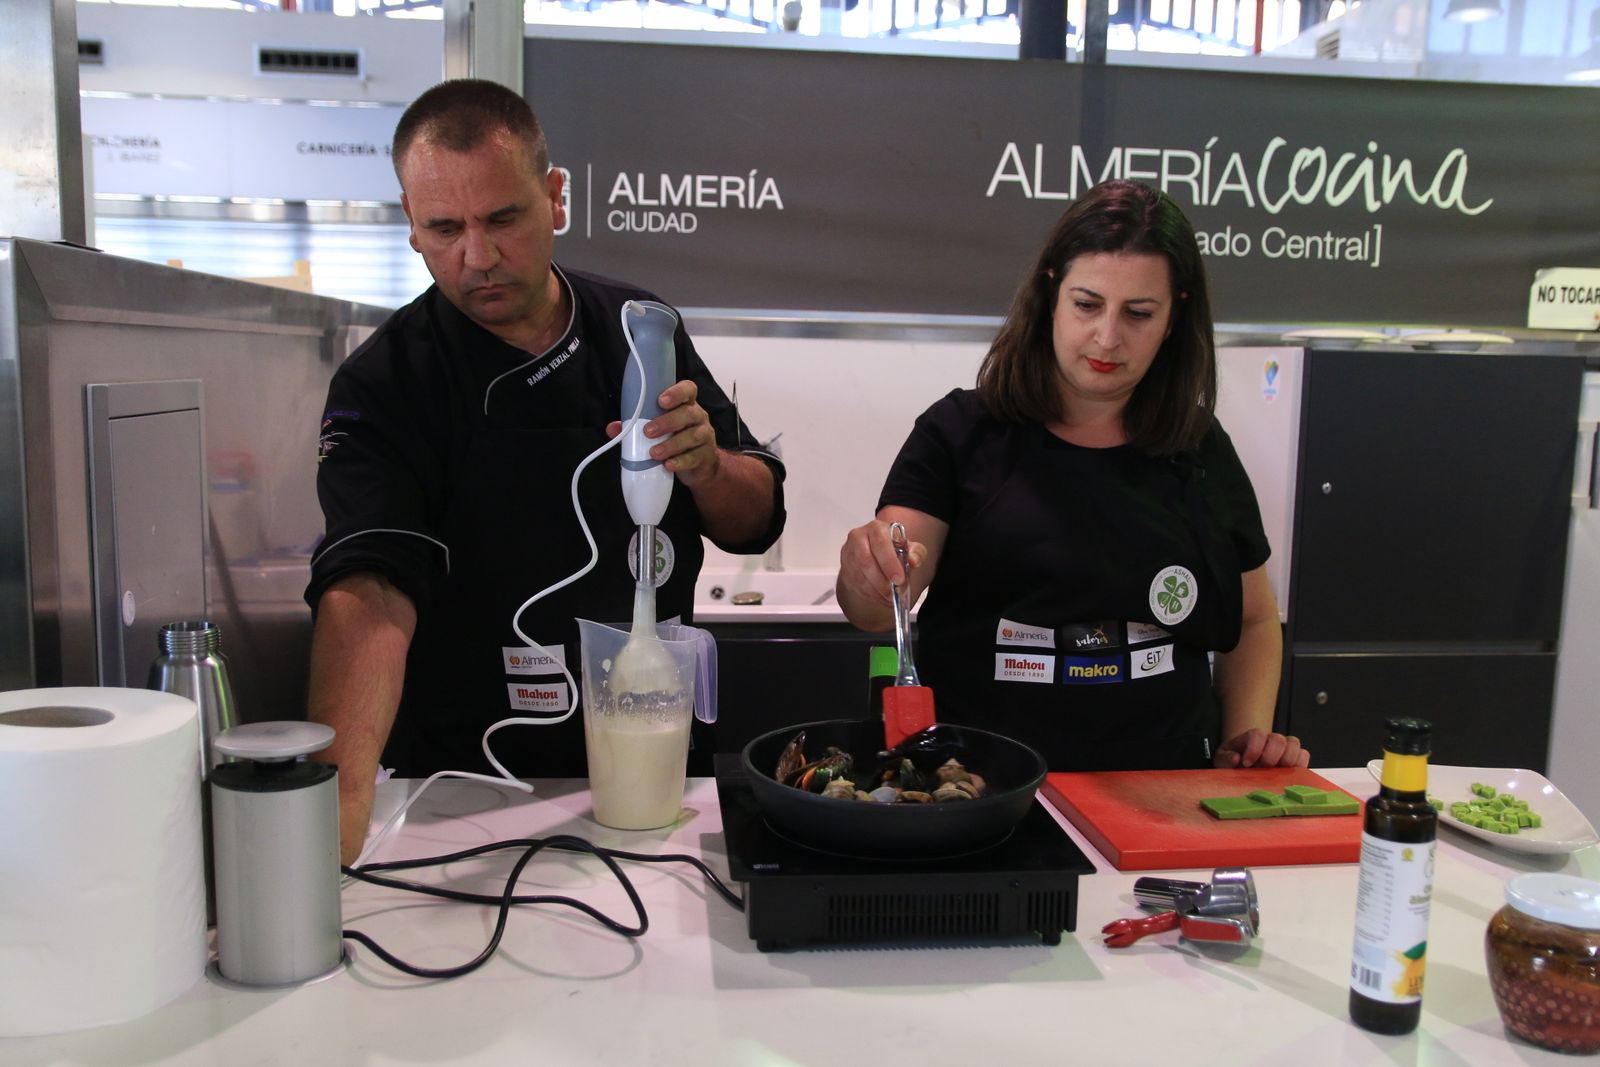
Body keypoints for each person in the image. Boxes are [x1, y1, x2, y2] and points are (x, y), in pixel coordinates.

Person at [305, 80, 784, 863]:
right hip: (462, 794)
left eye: (502, 219)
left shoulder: (639, 330)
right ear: (410, 227)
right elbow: (369, 590)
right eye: (445, 228)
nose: (478, 256)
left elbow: (755, 514)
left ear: (555, 198)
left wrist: (706, 466)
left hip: (657, 772)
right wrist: (331, 832)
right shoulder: (384, 384)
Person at [835, 180, 1305, 773]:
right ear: (1051, 293)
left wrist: (1248, 740)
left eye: (1139, 313)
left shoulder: (1200, 447)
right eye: (1088, 305)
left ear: (1174, 317)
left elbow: (1256, 618)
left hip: (1165, 785)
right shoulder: (960, 432)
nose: (1108, 337)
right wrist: (868, 570)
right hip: (985, 786)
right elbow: (880, 604)